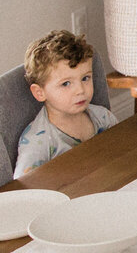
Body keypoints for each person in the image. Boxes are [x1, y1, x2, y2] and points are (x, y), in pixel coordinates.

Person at [14, 30, 117, 177]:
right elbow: (24, 187)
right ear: (39, 92)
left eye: (85, 78)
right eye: (66, 83)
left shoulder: (103, 117)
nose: (80, 90)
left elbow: (122, 151)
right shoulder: (38, 142)